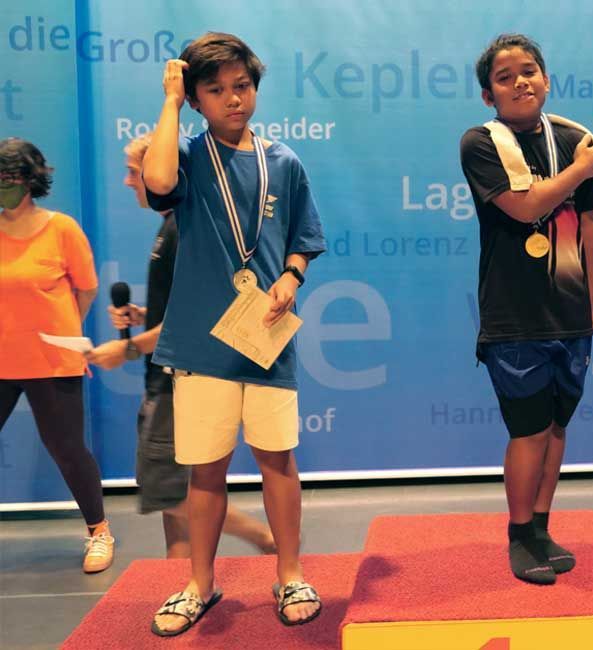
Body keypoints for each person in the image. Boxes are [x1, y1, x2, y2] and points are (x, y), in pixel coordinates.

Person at [140, 33, 326, 636]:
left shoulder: (283, 161)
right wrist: (169, 101)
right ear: (196, 99)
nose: (233, 99)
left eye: (242, 86)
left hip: (266, 336)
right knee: (205, 470)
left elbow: (303, 238)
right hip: (201, 342)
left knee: (278, 460)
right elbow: (158, 181)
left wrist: (291, 278)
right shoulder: (188, 155)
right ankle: (199, 583)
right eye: (215, 90)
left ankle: (290, 573)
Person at [459, 34, 593, 585]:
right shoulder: (481, 142)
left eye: (529, 71)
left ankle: (542, 527)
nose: (520, 82)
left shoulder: (573, 139)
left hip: (570, 312)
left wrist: (592, 301)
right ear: (488, 95)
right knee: (527, 430)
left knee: (556, 426)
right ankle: (519, 533)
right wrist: (579, 170)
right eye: (505, 77)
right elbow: (524, 210)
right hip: (514, 316)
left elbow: (589, 225)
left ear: (546, 79)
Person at [85, 134, 276, 559]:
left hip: (177, 380)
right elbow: (178, 305)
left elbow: (191, 319)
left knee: (165, 492)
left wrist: (127, 348)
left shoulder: (184, 229)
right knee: (175, 491)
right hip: (169, 377)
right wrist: (143, 314)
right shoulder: (172, 224)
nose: (127, 181)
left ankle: (265, 538)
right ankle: (179, 576)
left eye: (134, 172)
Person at [0, 137, 114, 574]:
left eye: (10, 177)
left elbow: (86, 289)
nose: (4, 185)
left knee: (66, 448)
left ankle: (99, 532)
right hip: (3, 360)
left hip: (51, 362)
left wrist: (60, 332)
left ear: (31, 180)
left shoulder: (61, 229)